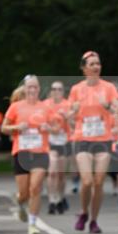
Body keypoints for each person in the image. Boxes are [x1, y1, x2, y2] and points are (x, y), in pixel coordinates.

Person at [68, 51, 118, 233]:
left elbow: (117, 109)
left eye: (98, 63)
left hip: (103, 140)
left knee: (99, 182)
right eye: (91, 64)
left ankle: (93, 220)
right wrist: (72, 112)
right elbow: (69, 118)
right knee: (87, 180)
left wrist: (106, 105)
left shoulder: (108, 88)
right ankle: (83, 211)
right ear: (84, 68)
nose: (96, 67)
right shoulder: (76, 89)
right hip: (82, 138)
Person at [1, 76, 56, 234]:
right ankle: (20, 203)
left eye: (35, 87)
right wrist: (18, 126)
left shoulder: (45, 107)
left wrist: (49, 128)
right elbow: (4, 128)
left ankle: (32, 223)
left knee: (36, 187)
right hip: (22, 153)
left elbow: (57, 127)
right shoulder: (16, 107)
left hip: (40, 153)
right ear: (25, 89)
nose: (32, 90)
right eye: (29, 87)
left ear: (39, 89)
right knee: (24, 193)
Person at [45, 81, 71, 213]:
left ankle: (61, 198)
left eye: (59, 89)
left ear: (63, 91)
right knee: (52, 172)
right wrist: (49, 128)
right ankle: (51, 200)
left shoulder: (68, 105)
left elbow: (74, 124)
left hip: (64, 141)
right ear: (50, 91)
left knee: (61, 174)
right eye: (54, 89)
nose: (56, 91)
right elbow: (40, 122)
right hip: (50, 142)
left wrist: (67, 118)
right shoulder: (45, 105)